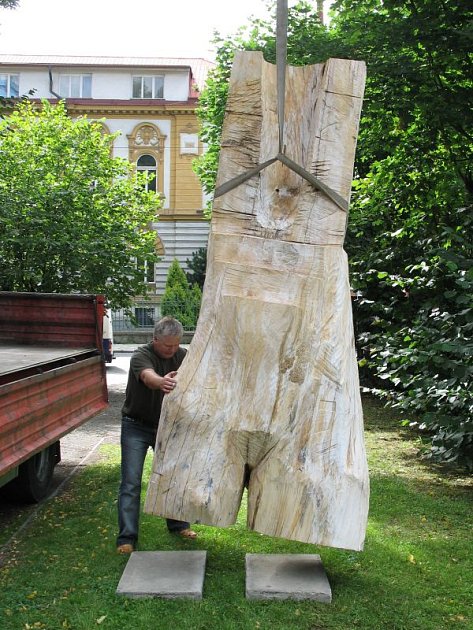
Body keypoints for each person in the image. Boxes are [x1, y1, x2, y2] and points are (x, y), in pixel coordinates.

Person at [116, 316, 197, 554]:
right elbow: (147, 377)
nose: (172, 350)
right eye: (166, 345)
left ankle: (178, 525)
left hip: (168, 427)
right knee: (131, 483)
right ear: (155, 339)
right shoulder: (141, 355)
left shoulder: (183, 356)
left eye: (176, 345)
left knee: (173, 478)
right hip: (136, 427)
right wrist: (162, 381)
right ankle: (126, 539)